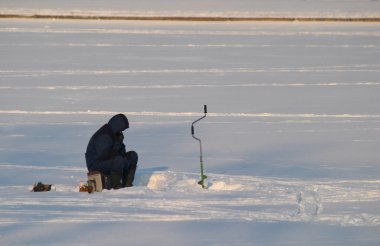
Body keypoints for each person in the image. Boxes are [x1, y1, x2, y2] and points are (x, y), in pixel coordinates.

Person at [85, 114, 138, 189]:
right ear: (117, 125)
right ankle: (115, 185)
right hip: (95, 163)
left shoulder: (116, 134)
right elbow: (104, 154)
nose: (122, 131)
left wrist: (124, 159)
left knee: (133, 155)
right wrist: (121, 159)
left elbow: (122, 148)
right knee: (118, 160)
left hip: (109, 160)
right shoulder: (103, 135)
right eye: (121, 129)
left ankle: (127, 184)